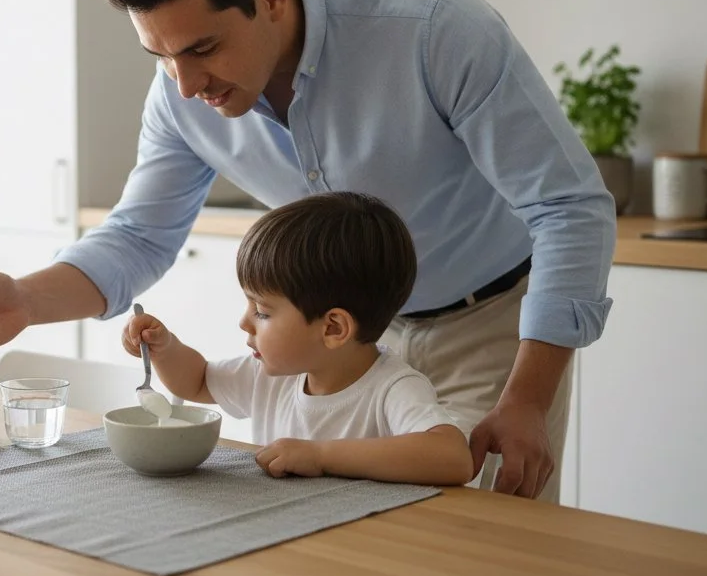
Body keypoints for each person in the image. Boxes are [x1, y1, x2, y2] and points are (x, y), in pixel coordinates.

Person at [0, 0, 615, 502]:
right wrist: (25, 299)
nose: (186, 84)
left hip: (488, 325)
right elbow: (139, 236)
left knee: (488, 562)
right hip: (341, 348)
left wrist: (526, 398)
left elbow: (568, 207)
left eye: (202, 49)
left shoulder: (428, 25)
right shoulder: (180, 93)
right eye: (160, 56)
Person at [122, 192, 473, 485]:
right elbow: (196, 382)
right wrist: (165, 349)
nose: (245, 322)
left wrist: (320, 455)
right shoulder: (272, 375)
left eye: (262, 311)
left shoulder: (392, 388)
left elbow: (452, 458)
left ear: (333, 328)